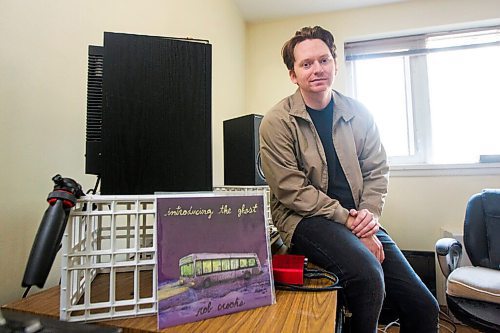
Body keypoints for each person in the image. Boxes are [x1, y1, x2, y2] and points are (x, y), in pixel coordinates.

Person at [259, 26, 439, 333]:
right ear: (293, 75)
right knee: (368, 276)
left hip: (357, 217)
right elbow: (291, 191)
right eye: (306, 64)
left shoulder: (359, 113)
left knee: (424, 307)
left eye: (324, 60)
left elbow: (377, 171)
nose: (317, 69)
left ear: (335, 64)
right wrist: (349, 219)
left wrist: (369, 215)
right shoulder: (276, 121)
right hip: (304, 218)